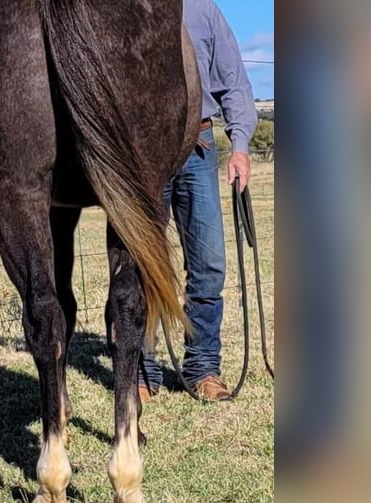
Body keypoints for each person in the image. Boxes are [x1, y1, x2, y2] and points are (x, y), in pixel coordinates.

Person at [139, 0, 257, 403]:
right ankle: (141, 371)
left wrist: (239, 146)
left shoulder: (204, 10)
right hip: (144, 149)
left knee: (209, 266)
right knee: (142, 265)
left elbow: (234, 83)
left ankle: (203, 367)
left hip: (199, 147)